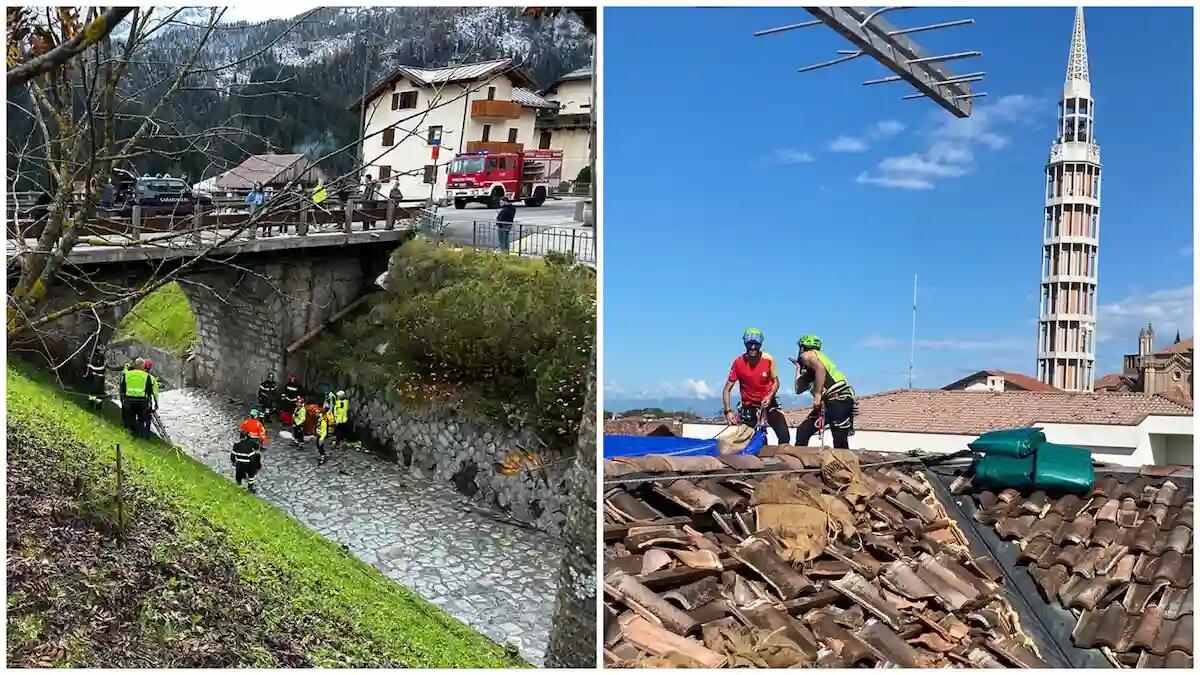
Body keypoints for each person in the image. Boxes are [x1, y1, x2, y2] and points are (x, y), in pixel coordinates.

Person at [721, 328, 791, 445]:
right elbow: (726, 389)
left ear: (760, 345)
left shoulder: (768, 359)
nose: (753, 347)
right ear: (745, 344)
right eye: (750, 344)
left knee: (784, 435)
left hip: (768, 405)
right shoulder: (738, 362)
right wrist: (728, 411)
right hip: (749, 408)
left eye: (756, 344)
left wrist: (770, 396)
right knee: (749, 441)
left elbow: (776, 382)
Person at [791, 334, 857, 450]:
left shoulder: (807, 355)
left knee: (839, 441)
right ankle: (799, 455)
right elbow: (798, 389)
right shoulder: (813, 364)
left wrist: (817, 394)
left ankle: (843, 462)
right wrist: (798, 368)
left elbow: (820, 368)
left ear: (802, 347)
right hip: (834, 401)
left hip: (838, 399)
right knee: (804, 430)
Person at [120, 360, 151, 438]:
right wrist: (149, 401)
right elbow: (149, 389)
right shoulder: (146, 376)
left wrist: (123, 398)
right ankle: (140, 435)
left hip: (129, 400)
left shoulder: (127, 374)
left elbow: (123, 387)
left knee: (131, 416)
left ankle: (130, 433)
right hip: (142, 401)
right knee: (141, 418)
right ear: (143, 366)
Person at [141, 360, 160, 438]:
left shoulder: (137, 376)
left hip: (135, 399)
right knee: (148, 419)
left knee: (140, 417)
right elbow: (155, 393)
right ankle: (147, 435)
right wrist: (156, 403)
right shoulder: (152, 378)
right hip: (146, 401)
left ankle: (139, 432)